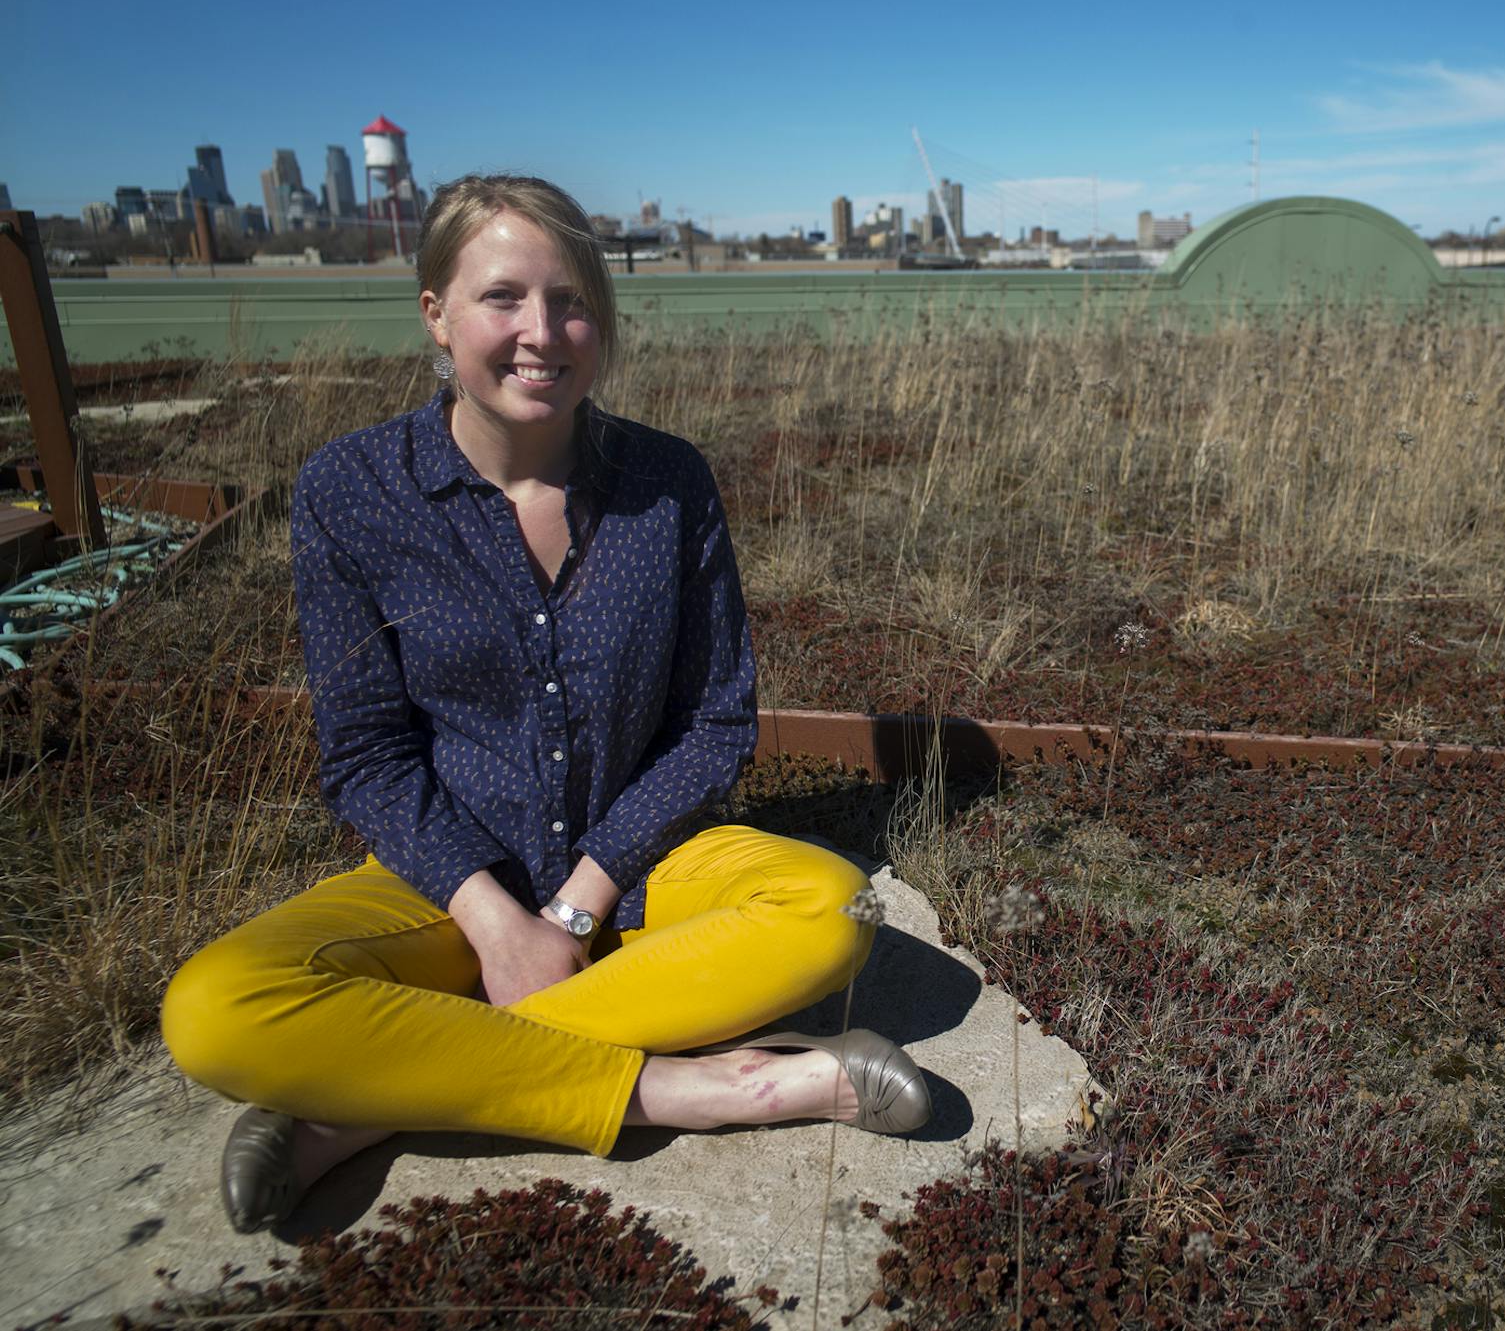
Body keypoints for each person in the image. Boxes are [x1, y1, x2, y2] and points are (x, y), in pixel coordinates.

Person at [161, 174, 929, 1236]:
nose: (542, 332)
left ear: (602, 321)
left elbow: (714, 722)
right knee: (211, 1007)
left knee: (831, 908)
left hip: (647, 874)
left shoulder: (668, 481)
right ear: (434, 312)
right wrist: (494, 919)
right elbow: (368, 753)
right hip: (441, 885)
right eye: (502, 298)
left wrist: (575, 906)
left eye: (570, 301)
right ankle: (699, 1090)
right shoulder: (351, 491)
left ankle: (362, 1110)